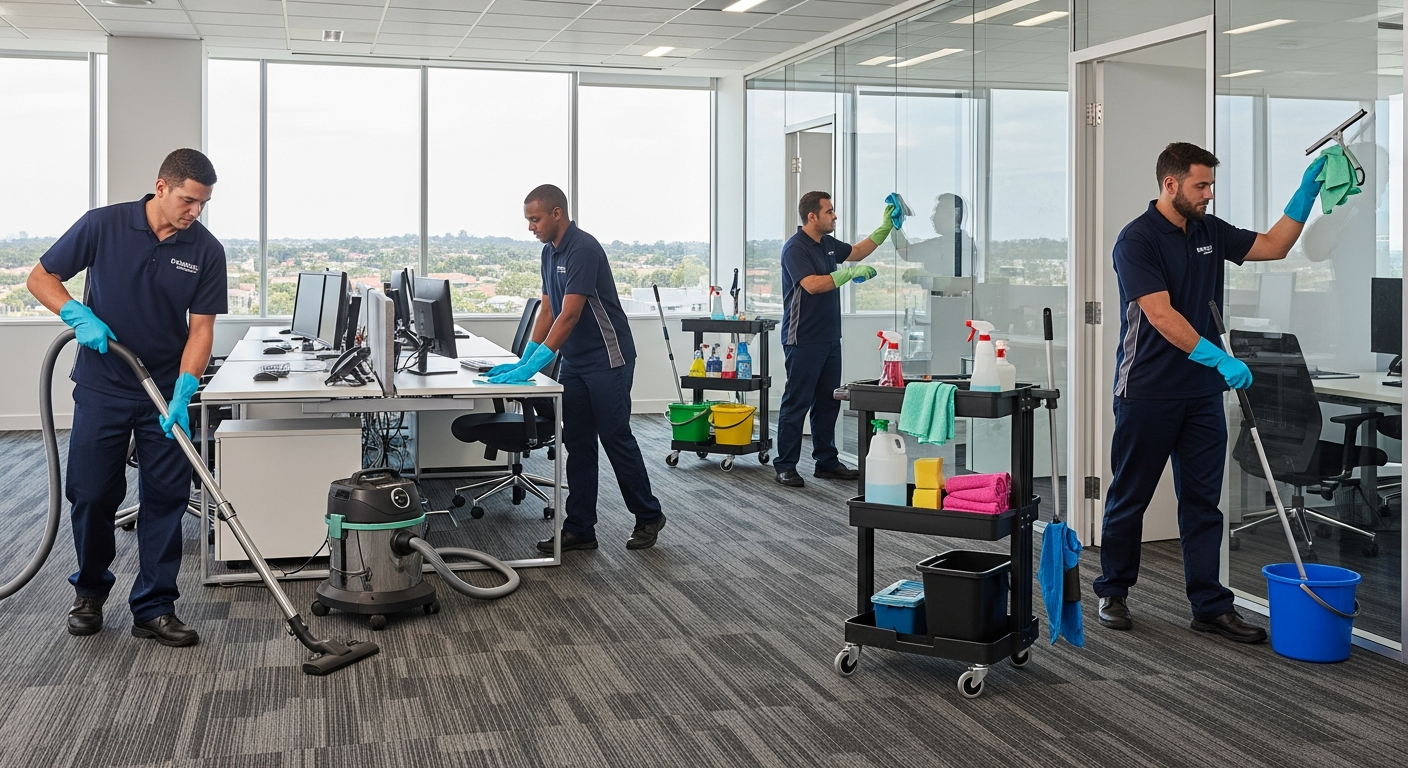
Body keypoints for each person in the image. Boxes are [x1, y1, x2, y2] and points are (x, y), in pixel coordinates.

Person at [1093, 142, 1325, 643]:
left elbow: (1273, 246)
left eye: (1211, 185)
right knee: (1130, 496)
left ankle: (1210, 606)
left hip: (1200, 394)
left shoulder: (1207, 230)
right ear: (1170, 184)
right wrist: (1219, 358)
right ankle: (1113, 591)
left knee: (1202, 503)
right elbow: (1161, 315)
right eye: (1201, 185)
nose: (1209, 194)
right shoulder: (1136, 240)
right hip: (1147, 390)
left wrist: (1306, 194)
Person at [26, 148, 227, 647]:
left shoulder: (206, 250)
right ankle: (90, 591)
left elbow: (201, 330)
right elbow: (41, 278)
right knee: (92, 493)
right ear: (161, 187)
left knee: (166, 499)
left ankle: (155, 607)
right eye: (188, 200)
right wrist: (76, 314)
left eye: (203, 204)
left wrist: (187, 386)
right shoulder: (103, 225)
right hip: (104, 386)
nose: (195, 212)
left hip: (164, 392)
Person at [487, 184, 665, 553]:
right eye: (528, 220)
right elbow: (548, 310)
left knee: (615, 437)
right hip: (575, 361)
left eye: (535, 219)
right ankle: (581, 528)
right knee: (578, 442)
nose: (531, 227)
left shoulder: (583, 249)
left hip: (607, 358)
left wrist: (534, 368)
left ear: (557, 213)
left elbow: (569, 315)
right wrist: (525, 359)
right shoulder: (549, 252)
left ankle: (649, 515)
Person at [774, 192, 895, 488]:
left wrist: (884, 228)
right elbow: (812, 285)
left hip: (829, 337)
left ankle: (826, 462)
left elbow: (857, 252)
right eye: (829, 211)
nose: (834, 216)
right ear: (812, 216)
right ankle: (785, 466)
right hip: (802, 338)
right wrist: (847, 275)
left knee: (829, 403)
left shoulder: (827, 243)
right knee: (797, 402)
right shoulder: (795, 248)